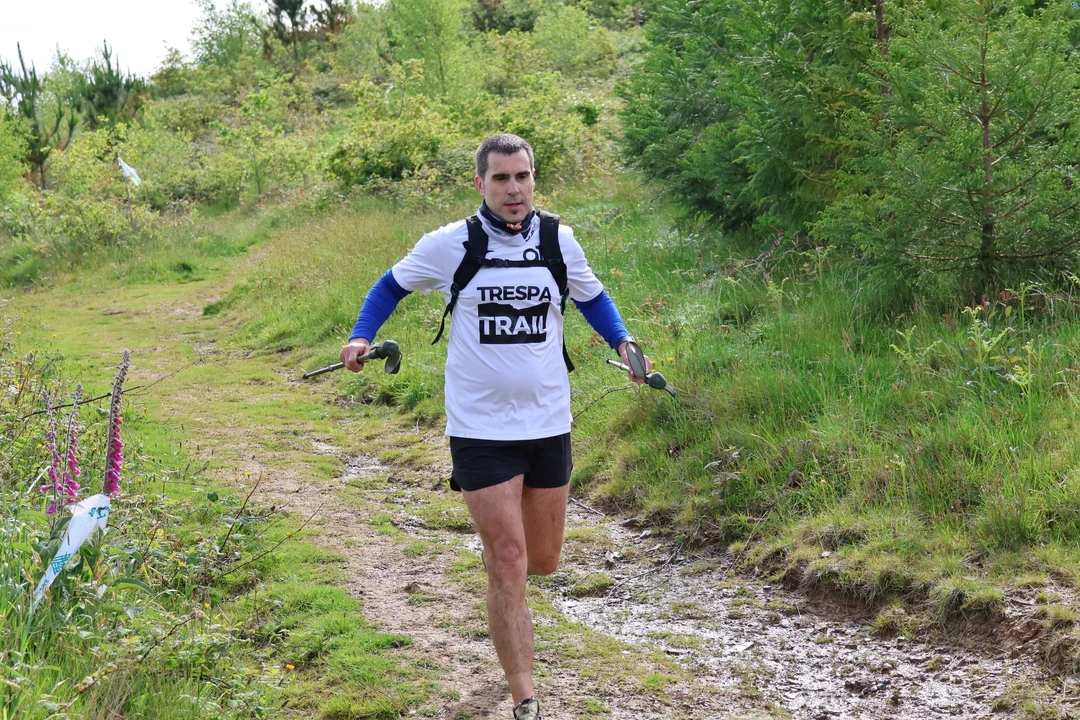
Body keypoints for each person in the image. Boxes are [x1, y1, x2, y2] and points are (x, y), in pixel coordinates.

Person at [339, 133, 648, 720]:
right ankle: (525, 695)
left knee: (543, 560)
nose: (513, 189)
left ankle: (502, 570)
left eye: (522, 176)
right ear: (480, 183)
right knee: (509, 560)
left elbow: (592, 298)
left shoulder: (558, 240)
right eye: (501, 178)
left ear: (534, 179)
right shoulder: (449, 244)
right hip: (479, 428)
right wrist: (360, 335)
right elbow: (389, 286)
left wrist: (624, 343)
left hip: (548, 421)